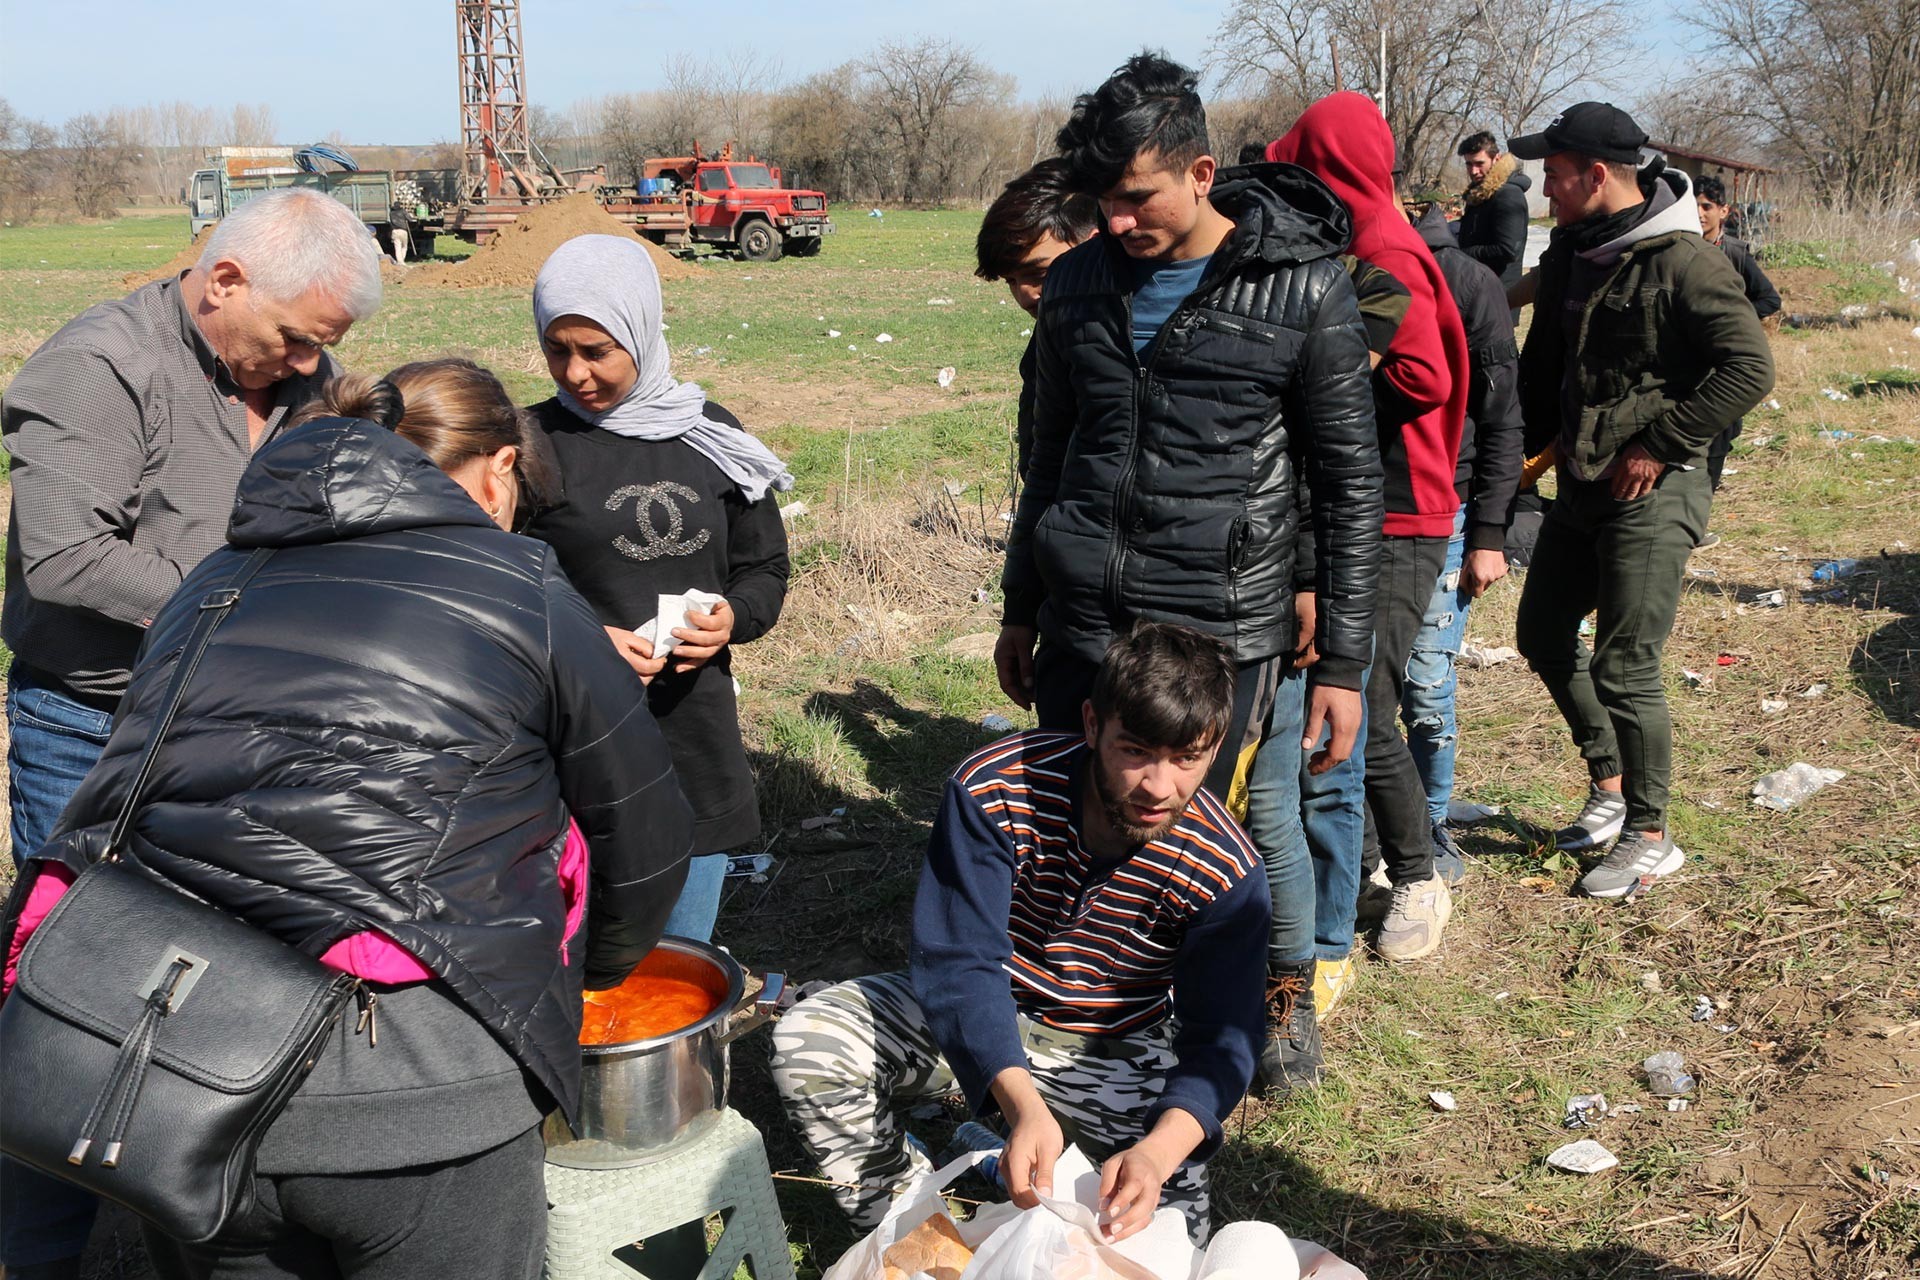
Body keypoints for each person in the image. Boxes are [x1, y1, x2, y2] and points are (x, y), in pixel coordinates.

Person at [0, 358, 695, 1280]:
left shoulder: (210, 581)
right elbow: (642, 835)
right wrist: (580, 977)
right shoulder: (519, 577)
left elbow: (126, 791)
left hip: (188, 1083)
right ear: (498, 471)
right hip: (414, 1080)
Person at [0, 186, 383, 1280]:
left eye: (322, 346)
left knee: (224, 976)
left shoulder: (297, 377)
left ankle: (200, 1222)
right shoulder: (96, 366)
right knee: (68, 989)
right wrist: (243, 603)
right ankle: (38, 1249)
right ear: (224, 281)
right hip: (97, 722)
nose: (305, 362)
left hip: (235, 717)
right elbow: (67, 559)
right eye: (293, 336)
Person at [773, 623, 1269, 1247]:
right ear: (1091, 725)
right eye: (1135, 750)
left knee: (1160, 1243)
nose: (1158, 786)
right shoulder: (997, 789)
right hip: (986, 1012)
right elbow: (958, 963)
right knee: (809, 1041)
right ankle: (918, 1237)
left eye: (1186, 759)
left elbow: (1225, 1034)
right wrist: (1023, 1105)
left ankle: (1007, 1154)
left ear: (1215, 747)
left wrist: (1160, 1151)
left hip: (1116, 1042)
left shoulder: (1226, 869)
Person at [993, 51, 1383, 830]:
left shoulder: (1305, 287)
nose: (1118, 223)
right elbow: (1050, 458)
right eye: (1104, 201)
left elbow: (1347, 483)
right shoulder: (1075, 284)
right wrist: (1021, 606)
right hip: (1083, 623)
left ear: (1202, 172)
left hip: (1217, 630)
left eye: (1138, 198)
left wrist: (1343, 663)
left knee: (1185, 845)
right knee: (1073, 825)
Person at [1508, 103, 1773, 897]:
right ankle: (1611, 787)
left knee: (1624, 664)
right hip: (1583, 478)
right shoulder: (1573, 251)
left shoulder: (1684, 262)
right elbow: (1535, 359)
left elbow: (1749, 369)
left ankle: (1652, 834)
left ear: (1596, 175)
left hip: (1659, 485)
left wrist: (1658, 446)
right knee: (1543, 634)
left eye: (1552, 176)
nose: (1544, 191)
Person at [525, 234, 791, 947]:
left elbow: (764, 570)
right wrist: (582, 643)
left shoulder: (711, 436)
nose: (575, 374)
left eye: (596, 350)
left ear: (642, 331)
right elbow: (499, 587)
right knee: (577, 958)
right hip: (573, 745)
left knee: (677, 958)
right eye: (558, 350)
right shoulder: (527, 446)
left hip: (689, 741)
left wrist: (732, 618)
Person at [1267, 93, 1468, 965]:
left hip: (1398, 507)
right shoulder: (1362, 233)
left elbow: (1422, 374)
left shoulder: (1382, 243)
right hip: (1369, 505)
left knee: (1368, 705)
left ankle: (1422, 878)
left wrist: (1332, 399)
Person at [1242, 251, 1412, 1088]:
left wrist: (1311, 583)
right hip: (1182, 589)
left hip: (1277, 598)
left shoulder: (1350, 290)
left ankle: (1298, 979)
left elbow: (1332, 476)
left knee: (1293, 796)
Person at [1403, 182, 1525, 869]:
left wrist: (1486, 536)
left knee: (1427, 682)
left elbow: (1505, 419)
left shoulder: (1469, 285)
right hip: (1371, 513)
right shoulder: (1349, 274)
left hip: (1449, 512)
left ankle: (1430, 819)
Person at [972, 158, 1101, 478]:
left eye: (1040, 273)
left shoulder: (1153, 336)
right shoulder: (1051, 331)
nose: (1025, 295)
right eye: (1011, 281)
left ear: (1094, 244)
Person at [1694, 173, 1780, 509]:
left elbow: (1770, 300)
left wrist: (1734, 320)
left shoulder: (1735, 253)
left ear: (1723, 211)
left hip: (1725, 363)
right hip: (1689, 359)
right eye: (1693, 206)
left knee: (1721, 434)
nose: (1700, 213)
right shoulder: (1679, 247)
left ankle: (1702, 509)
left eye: (1707, 206)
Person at [1455, 130, 1533, 309]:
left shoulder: (1508, 195)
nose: (1473, 171)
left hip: (1498, 295)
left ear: (1496, 159)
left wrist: (1461, 253)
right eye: (1468, 164)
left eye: (1479, 163)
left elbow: (1507, 250)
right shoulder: (1480, 194)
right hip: (1478, 288)